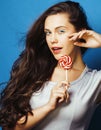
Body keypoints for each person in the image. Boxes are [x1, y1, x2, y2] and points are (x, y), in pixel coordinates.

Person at [0, 1, 101, 130]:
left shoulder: (95, 82)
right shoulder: (34, 69)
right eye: (48, 32)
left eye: (61, 31)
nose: (53, 39)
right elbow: (9, 127)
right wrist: (48, 107)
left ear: (80, 33)